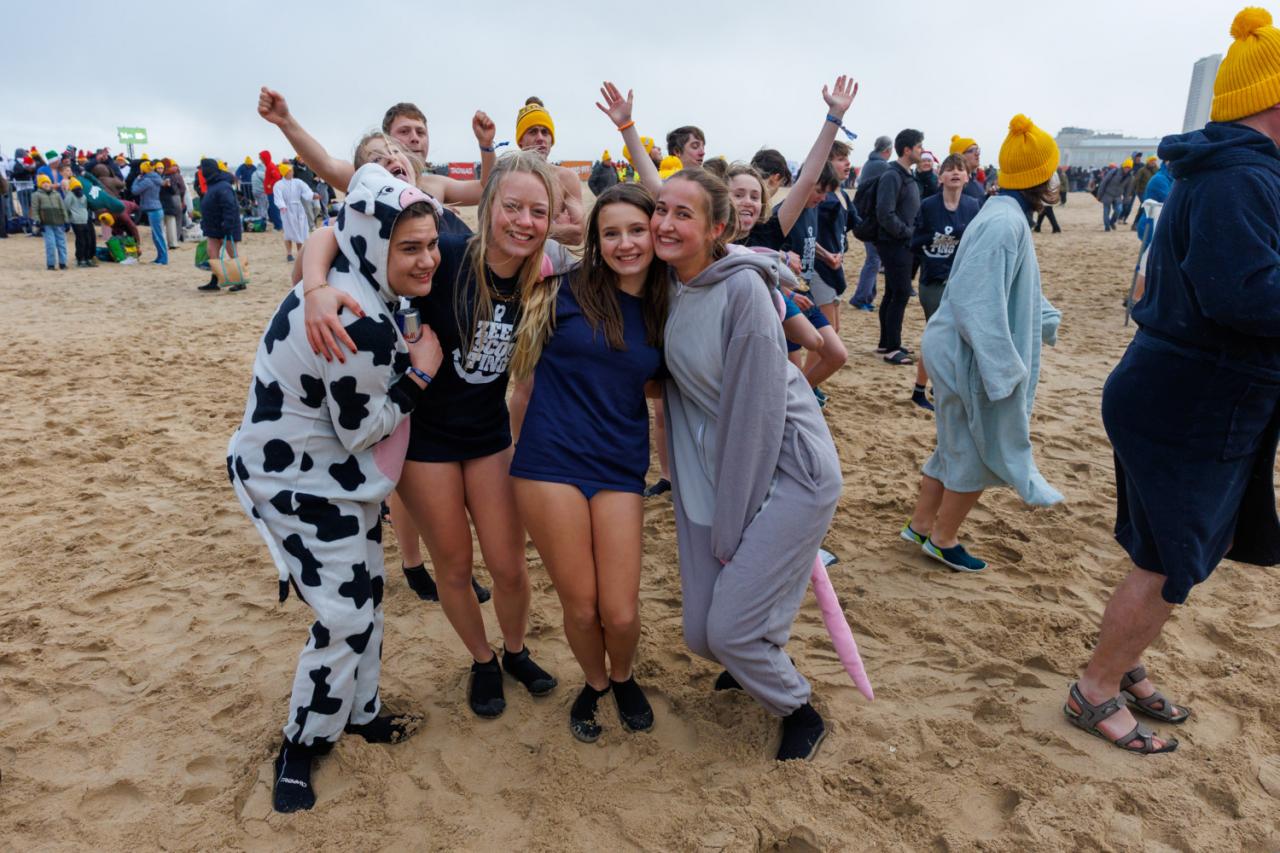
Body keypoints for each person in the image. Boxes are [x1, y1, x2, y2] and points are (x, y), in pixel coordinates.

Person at [1068, 7, 1280, 756]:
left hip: (1178, 392)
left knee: (1164, 549)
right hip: (1192, 402)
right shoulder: (1241, 178)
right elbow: (1244, 295)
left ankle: (1122, 665)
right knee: (1168, 559)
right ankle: (1094, 688)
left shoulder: (1231, 172)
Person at [301, 151, 561, 720]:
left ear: (550, 218)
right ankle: (482, 660)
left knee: (510, 566)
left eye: (536, 211)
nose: (522, 220)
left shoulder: (549, 271)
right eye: (511, 206)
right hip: (427, 442)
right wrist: (316, 285)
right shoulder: (443, 251)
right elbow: (332, 230)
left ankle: (515, 651)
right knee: (455, 566)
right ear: (488, 206)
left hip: (490, 436)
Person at [228, 163, 444, 813]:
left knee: (366, 593)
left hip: (329, 475)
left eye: (431, 243)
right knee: (346, 613)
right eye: (410, 247)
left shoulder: (353, 259)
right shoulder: (361, 320)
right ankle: (302, 742)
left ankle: (361, 711)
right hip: (295, 477)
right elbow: (361, 429)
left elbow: (339, 213)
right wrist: (422, 376)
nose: (428, 258)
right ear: (377, 243)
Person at [655, 121, 848, 760]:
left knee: (732, 632)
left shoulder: (741, 290)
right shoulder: (673, 287)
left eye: (683, 214)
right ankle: (754, 652)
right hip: (725, 466)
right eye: (661, 208)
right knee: (704, 635)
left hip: (790, 468)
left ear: (718, 229)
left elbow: (759, 418)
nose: (663, 223)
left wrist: (733, 527)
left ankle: (799, 708)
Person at [510, 176, 666, 742]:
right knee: (581, 608)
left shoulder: (669, 303)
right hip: (548, 461)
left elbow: (656, 383)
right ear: (594, 240)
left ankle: (624, 677)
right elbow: (521, 388)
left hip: (620, 465)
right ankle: (596, 683)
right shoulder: (558, 290)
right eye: (610, 233)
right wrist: (512, 458)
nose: (624, 244)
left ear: (656, 233)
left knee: (620, 611)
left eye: (636, 230)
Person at [902, 114, 1063, 572]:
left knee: (953, 443)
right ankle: (943, 538)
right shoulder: (1003, 224)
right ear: (1043, 179)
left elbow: (1016, 285)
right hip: (962, 351)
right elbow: (976, 299)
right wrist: (1002, 369)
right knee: (978, 447)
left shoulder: (1001, 213)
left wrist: (1044, 317)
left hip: (953, 344)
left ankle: (919, 524)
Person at [258, 90, 496, 240]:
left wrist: (486, 146)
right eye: (404, 131)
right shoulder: (370, 178)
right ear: (385, 138)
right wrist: (286, 122)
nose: (415, 138)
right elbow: (326, 164)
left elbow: (485, 188)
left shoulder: (435, 184)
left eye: (421, 132)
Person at [908, 154, 980, 410]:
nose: (955, 173)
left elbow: (978, 242)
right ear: (940, 177)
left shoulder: (973, 205)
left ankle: (947, 390)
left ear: (967, 176)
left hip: (962, 281)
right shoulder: (928, 205)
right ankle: (922, 390)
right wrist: (936, 242)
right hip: (934, 280)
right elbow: (915, 242)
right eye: (949, 169)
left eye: (960, 169)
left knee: (959, 337)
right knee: (937, 336)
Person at [873, 129, 924, 365]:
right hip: (894, 243)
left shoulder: (906, 174)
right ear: (907, 149)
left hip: (900, 242)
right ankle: (893, 349)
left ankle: (886, 343)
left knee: (893, 292)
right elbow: (885, 213)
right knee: (901, 292)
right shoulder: (892, 175)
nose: (921, 151)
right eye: (919, 146)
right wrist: (907, 233)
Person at [515, 96, 586, 244]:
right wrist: (555, 227)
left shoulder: (566, 178)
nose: (540, 138)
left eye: (545, 132)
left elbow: (578, 234)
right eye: (533, 132)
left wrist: (524, 228)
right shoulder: (507, 175)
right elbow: (494, 228)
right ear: (520, 140)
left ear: (551, 141)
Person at [849, 135, 893, 310]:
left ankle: (867, 297)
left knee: (874, 259)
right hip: (871, 220)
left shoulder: (869, 163)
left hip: (865, 217)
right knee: (873, 260)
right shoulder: (882, 166)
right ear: (887, 150)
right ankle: (861, 298)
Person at [197, 158, 246, 293]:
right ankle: (215, 281)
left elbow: (230, 207)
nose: (200, 171)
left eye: (202, 169)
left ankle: (240, 281)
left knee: (232, 253)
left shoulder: (223, 186)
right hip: (212, 227)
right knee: (212, 253)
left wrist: (227, 224)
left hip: (226, 226)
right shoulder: (212, 185)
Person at [274, 162, 317, 262]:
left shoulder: (298, 182)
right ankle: (289, 253)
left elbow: (306, 190)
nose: (292, 172)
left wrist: (312, 195)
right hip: (287, 210)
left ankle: (300, 252)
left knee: (300, 230)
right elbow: (278, 197)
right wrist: (282, 206)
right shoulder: (278, 185)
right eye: (290, 171)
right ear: (286, 172)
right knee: (288, 231)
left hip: (298, 208)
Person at [131, 161, 169, 265]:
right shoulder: (155, 178)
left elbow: (134, 191)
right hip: (156, 209)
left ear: (144, 169)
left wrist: (136, 180)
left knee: (158, 236)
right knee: (156, 235)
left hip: (154, 210)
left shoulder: (147, 180)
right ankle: (160, 258)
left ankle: (163, 259)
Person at [31, 175, 69, 270]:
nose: (46, 184)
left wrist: (66, 220)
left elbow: (62, 208)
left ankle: (63, 263)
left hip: (59, 222)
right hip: (46, 223)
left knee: (62, 243)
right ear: (40, 184)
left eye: (47, 182)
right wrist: (37, 221)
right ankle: (51, 264)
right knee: (50, 244)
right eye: (43, 183)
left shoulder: (57, 194)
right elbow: (35, 209)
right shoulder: (36, 195)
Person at [65, 177, 96, 267]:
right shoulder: (83, 195)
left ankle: (82, 259)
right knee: (86, 239)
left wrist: (67, 219)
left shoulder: (70, 195)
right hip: (83, 219)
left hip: (77, 220)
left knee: (81, 240)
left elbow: (66, 207)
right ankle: (86, 259)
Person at [949, 135, 987, 205]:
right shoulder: (954, 185)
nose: (977, 154)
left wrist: (988, 197)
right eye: (971, 150)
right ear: (959, 156)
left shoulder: (975, 181)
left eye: (977, 150)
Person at [1095, 161, 1129, 231]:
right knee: (1106, 211)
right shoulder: (1114, 172)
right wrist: (1099, 194)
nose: (1127, 169)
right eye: (1126, 167)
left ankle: (1112, 222)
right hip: (1108, 194)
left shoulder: (1129, 176)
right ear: (1123, 166)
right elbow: (1104, 182)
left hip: (1117, 196)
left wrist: (1126, 198)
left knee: (1119, 210)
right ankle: (1107, 227)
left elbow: (1128, 188)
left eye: (1129, 168)